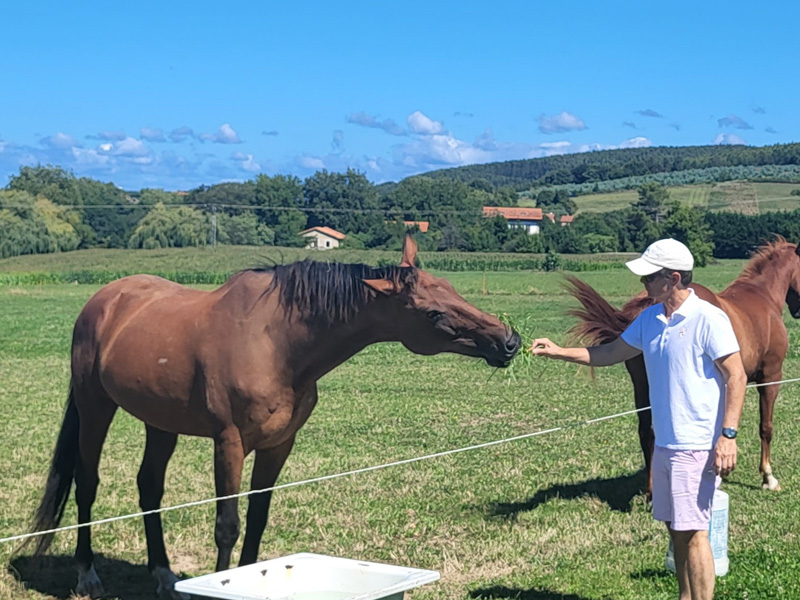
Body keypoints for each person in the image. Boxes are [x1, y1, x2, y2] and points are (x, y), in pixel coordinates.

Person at [530, 238, 746, 600]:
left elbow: (736, 376)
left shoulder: (710, 318)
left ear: (673, 278)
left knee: (695, 533)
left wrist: (728, 435)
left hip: (696, 445)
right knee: (675, 529)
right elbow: (611, 353)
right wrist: (558, 352)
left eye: (649, 276)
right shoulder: (650, 319)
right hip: (664, 444)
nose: (642, 284)